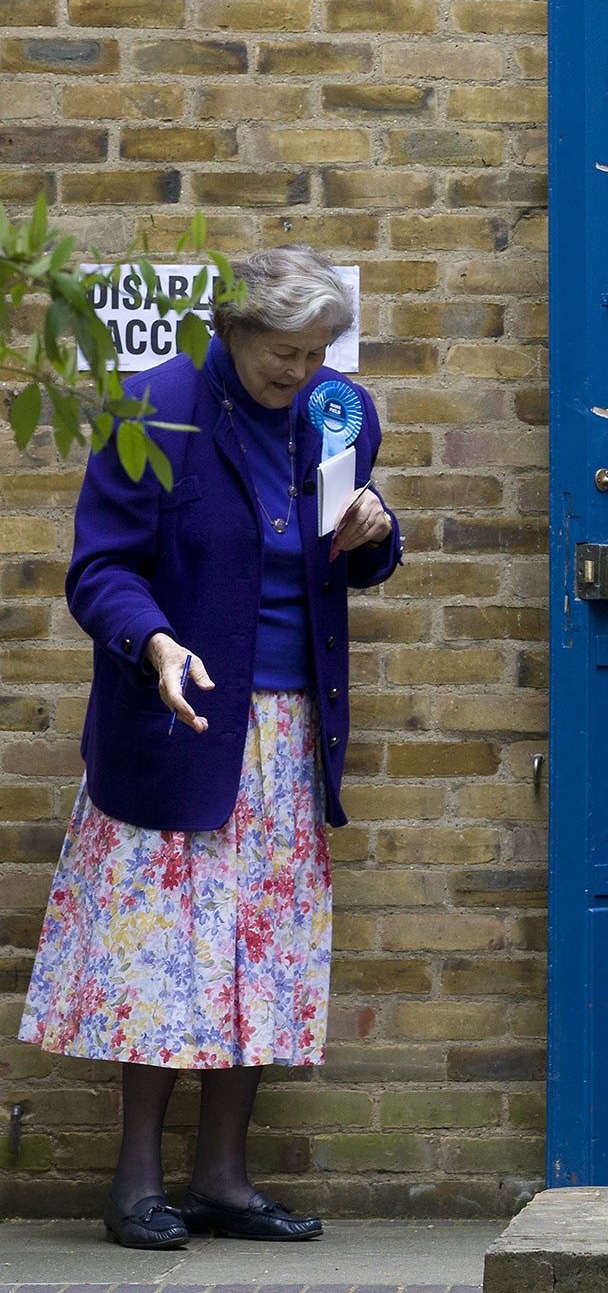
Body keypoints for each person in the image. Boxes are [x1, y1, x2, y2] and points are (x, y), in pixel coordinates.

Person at [18, 247, 401, 1250]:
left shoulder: (340, 414)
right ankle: (135, 1182)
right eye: (284, 353)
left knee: (262, 958)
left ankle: (224, 1179)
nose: (302, 372)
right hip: (180, 717)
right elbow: (99, 568)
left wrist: (377, 527)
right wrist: (152, 642)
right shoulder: (158, 407)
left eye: (319, 352)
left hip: (288, 732)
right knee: (163, 959)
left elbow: (348, 559)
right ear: (231, 331)